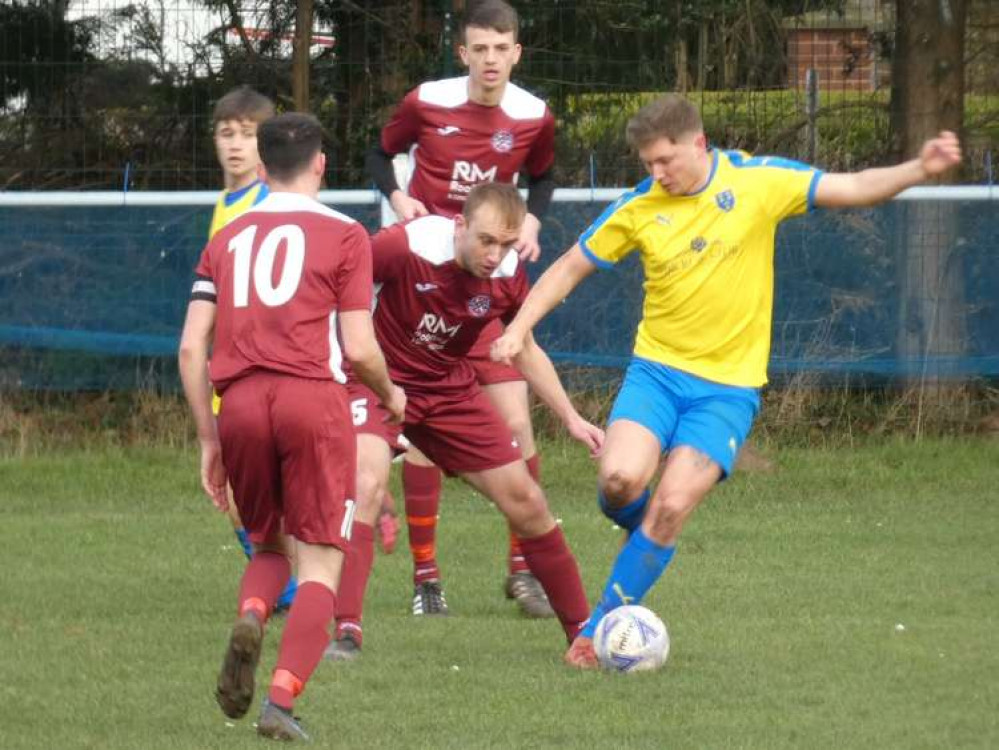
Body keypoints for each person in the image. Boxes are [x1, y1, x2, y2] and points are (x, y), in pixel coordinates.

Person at [491, 95, 963, 668]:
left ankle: (595, 633)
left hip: (727, 390)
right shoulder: (641, 206)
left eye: (664, 161)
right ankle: (651, 536)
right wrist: (518, 329)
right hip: (656, 375)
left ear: (698, 143)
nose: (656, 174)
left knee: (670, 508)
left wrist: (921, 167)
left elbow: (855, 186)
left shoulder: (759, 182)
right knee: (618, 481)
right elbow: (569, 266)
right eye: (647, 164)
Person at [178, 112, 405, 740]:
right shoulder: (347, 235)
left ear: (261, 161)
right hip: (312, 401)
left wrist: (208, 436)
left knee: (269, 543)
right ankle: (280, 702)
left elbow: (193, 348)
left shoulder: (227, 238)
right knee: (321, 565)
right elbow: (358, 348)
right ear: (320, 164)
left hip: (242, 404)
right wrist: (392, 396)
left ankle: (253, 613)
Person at [325, 182, 601, 660]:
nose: (496, 255)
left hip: (447, 389)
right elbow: (335, 291)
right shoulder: (404, 245)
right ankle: (347, 632)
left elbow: (526, 348)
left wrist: (571, 417)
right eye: (486, 240)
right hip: (375, 383)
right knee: (367, 484)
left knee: (528, 501)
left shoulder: (509, 273)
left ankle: (582, 636)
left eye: (507, 244)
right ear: (460, 226)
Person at [365, 0, 559, 619]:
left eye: (502, 48)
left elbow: (544, 177)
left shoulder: (533, 115)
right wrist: (399, 198)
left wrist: (528, 219)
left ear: (516, 52)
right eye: (480, 48)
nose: (491, 59)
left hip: (485, 285)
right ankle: (427, 579)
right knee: (423, 435)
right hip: (428, 275)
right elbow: (379, 153)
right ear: (463, 53)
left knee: (518, 424)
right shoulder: (427, 101)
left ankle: (523, 573)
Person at [207, 85, 298, 613]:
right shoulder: (225, 204)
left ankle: (294, 589)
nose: (236, 145)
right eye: (226, 134)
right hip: (232, 368)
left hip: (266, 370)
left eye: (247, 135)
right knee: (243, 498)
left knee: (257, 494)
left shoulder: (269, 203)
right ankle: (286, 587)